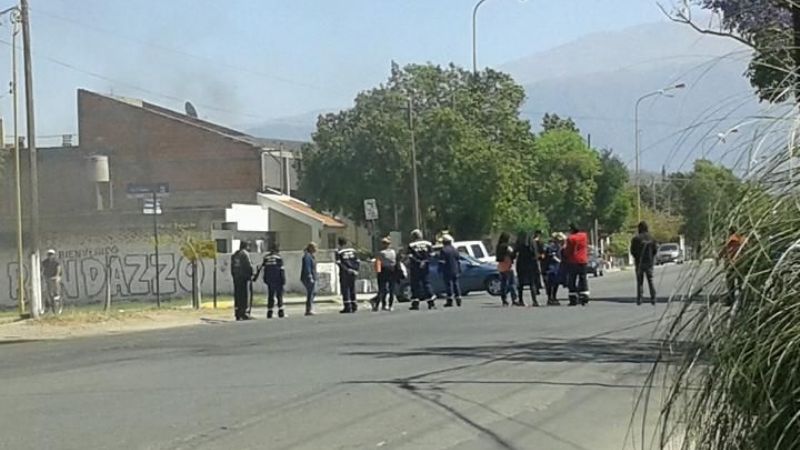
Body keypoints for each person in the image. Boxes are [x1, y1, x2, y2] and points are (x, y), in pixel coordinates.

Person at [253, 242, 286, 319]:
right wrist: (283, 280)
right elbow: (281, 270)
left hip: (269, 279)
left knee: (271, 295)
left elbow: (262, 268)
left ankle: (269, 312)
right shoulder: (279, 257)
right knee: (279, 295)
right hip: (278, 279)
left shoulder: (266, 257)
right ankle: (281, 312)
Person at [408, 229, 436, 310]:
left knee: (415, 285)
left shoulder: (411, 245)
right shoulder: (428, 244)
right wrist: (425, 261)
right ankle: (431, 303)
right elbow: (432, 255)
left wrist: (419, 262)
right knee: (426, 283)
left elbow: (410, 256)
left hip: (415, 267)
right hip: (425, 267)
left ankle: (415, 304)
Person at [630, 221, 658, 305]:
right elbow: (655, 250)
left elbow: (632, 251)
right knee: (650, 280)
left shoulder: (636, 239)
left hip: (639, 263)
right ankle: (653, 298)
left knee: (640, 281)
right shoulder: (651, 238)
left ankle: (640, 299)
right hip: (649, 263)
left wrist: (637, 258)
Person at [564, 224, 590, 306]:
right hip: (583, 260)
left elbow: (568, 250)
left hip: (573, 261)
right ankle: (584, 296)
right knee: (583, 278)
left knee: (572, 279)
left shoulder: (570, 238)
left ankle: (573, 298)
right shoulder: (584, 236)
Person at [231, 241, 254, 321]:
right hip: (244, 278)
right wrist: (251, 274)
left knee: (237, 296)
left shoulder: (235, 255)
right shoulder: (245, 254)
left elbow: (232, 267)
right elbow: (249, 266)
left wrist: (234, 276)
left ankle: (237, 313)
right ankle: (244, 313)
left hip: (236, 278)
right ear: (245, 246)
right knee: (245, 296)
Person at [514, 231, 539, 307]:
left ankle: (521, 300)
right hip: (531, 264)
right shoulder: (532, 243)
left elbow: (514, 252)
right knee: (532, 283)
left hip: (521, 264)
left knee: (521, 283)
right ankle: (534, 301)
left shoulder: (520, 244)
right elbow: (535, 254)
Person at [336, 237, 360, 314]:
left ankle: (347, 306)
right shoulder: (353, 251)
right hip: (354, 272)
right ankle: (354, 305)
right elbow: (357, 261)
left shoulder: (339, 252)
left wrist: (347, 270)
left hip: (345, 273)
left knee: (345, 289)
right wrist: (356, 270)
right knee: (352, 288)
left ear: (339, 243)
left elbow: (339, 263)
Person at [721, 227, 744, 305]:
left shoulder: (730, 239)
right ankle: (742, 299)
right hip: (740, 263)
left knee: (730, 283)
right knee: (740, 282)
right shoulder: (741, 239)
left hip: (731, 264)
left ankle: (731, 299)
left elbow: (723, 250)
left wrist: (718, 257)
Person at [374, 237, 397, 311]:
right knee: (389, 289)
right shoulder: (392, 252)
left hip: (386, 270)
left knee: (384, 289)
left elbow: (377, 262)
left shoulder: (381, 253)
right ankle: (387, 305)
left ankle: (383, 304)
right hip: (390, 270)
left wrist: (378, 271)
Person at [495, 232, 518, 307]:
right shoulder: (507, 247)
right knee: (512, 283)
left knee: (503, 283)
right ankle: (514, 299)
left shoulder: (498, 246)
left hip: (501, 266)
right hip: (508, 265)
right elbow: (512, 254)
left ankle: (504, 300)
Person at [439, 234, 462, 308]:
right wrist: (459, 269)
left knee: (449, 285)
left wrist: (440, 270)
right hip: (455, 269)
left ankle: (450, 300)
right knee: (456, 284)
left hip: (447, 270)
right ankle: (458, 299)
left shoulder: (443, 250)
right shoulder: (454, 249)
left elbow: (442, 262)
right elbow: (458, 259)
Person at [544, 234, 565, 305]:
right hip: (551, 268)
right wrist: (560, 261)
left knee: (556, 284)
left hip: (557, 268)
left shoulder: (559, 246)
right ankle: (550, 298)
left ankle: (554, 297)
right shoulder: (551, 246)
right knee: (551, 284)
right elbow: (552, 256)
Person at [41, 249, 63, 315]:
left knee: (56, 291)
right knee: (47, 292)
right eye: (49, 254)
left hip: (55, 278)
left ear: (54, 255)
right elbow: (42, 269)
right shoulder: (45, 262)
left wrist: (56, 276)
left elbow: (58, 269)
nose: (50, 256)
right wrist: (42, 276)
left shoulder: (56, 262)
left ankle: (58, 302)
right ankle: (47, 306)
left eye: (51, 254)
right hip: (47, 278)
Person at [301, 242, 318, 316]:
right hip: (308, 277)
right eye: (315, 247)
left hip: (312, 276)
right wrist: (310, 276)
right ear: (311, 248)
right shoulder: (307, 256)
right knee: (311, 293)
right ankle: (309, 309)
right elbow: (307, 267)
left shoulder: (311, 256)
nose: (316, 249)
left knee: (313, 292)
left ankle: (309, 308)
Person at [532, 230, 546, 295]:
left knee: (535, 274)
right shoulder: (539, 241)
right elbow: (542, 250)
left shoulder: (532, 241)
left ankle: (536, 287)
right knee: (538, 273)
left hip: (533, 259)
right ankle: (539, 285)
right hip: (538, 259)